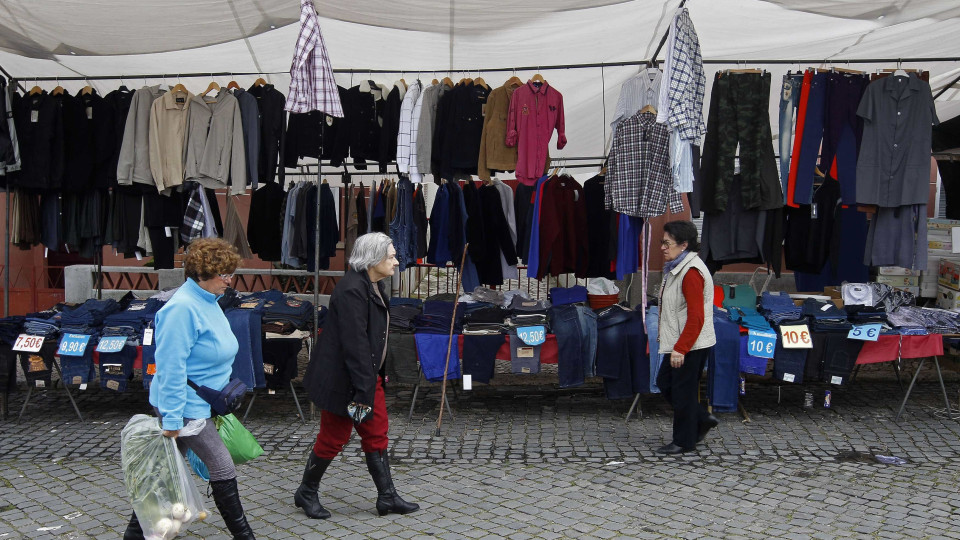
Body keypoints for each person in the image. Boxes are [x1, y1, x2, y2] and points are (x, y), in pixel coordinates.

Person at [124, 238, 255, 539]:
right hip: (184, 406)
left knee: (163, 472)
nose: (229, 280)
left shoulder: (208, 301)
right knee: (222, 466)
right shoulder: (182, 309)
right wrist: (171, 419)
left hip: (199, 402)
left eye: (230, 273)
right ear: (202, 273)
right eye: (223, 274)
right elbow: (169, 368)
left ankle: (133, 534)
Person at [296, 232, 420, 519]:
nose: (396, 261)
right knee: (334, 437)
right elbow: (355, 346)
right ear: (373, 258)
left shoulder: (372, 284)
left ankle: (387, 496)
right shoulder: (352, 289)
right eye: (391, 256)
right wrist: (364, 390)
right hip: (344, 381)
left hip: (366, 378)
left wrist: (371, 383)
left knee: (376, 434)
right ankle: (306, 491)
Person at [655, 220, 718, 454]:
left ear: (683, 245)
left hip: (690, 343)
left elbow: (696, 317)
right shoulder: (678, 266)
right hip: (682, 341)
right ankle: (701, 418)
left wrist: (681, 348)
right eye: (663, 242)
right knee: (665, 383)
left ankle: (684, 441)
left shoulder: (691, 272)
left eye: (667, 243)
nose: (662, 247)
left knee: (682, 391)